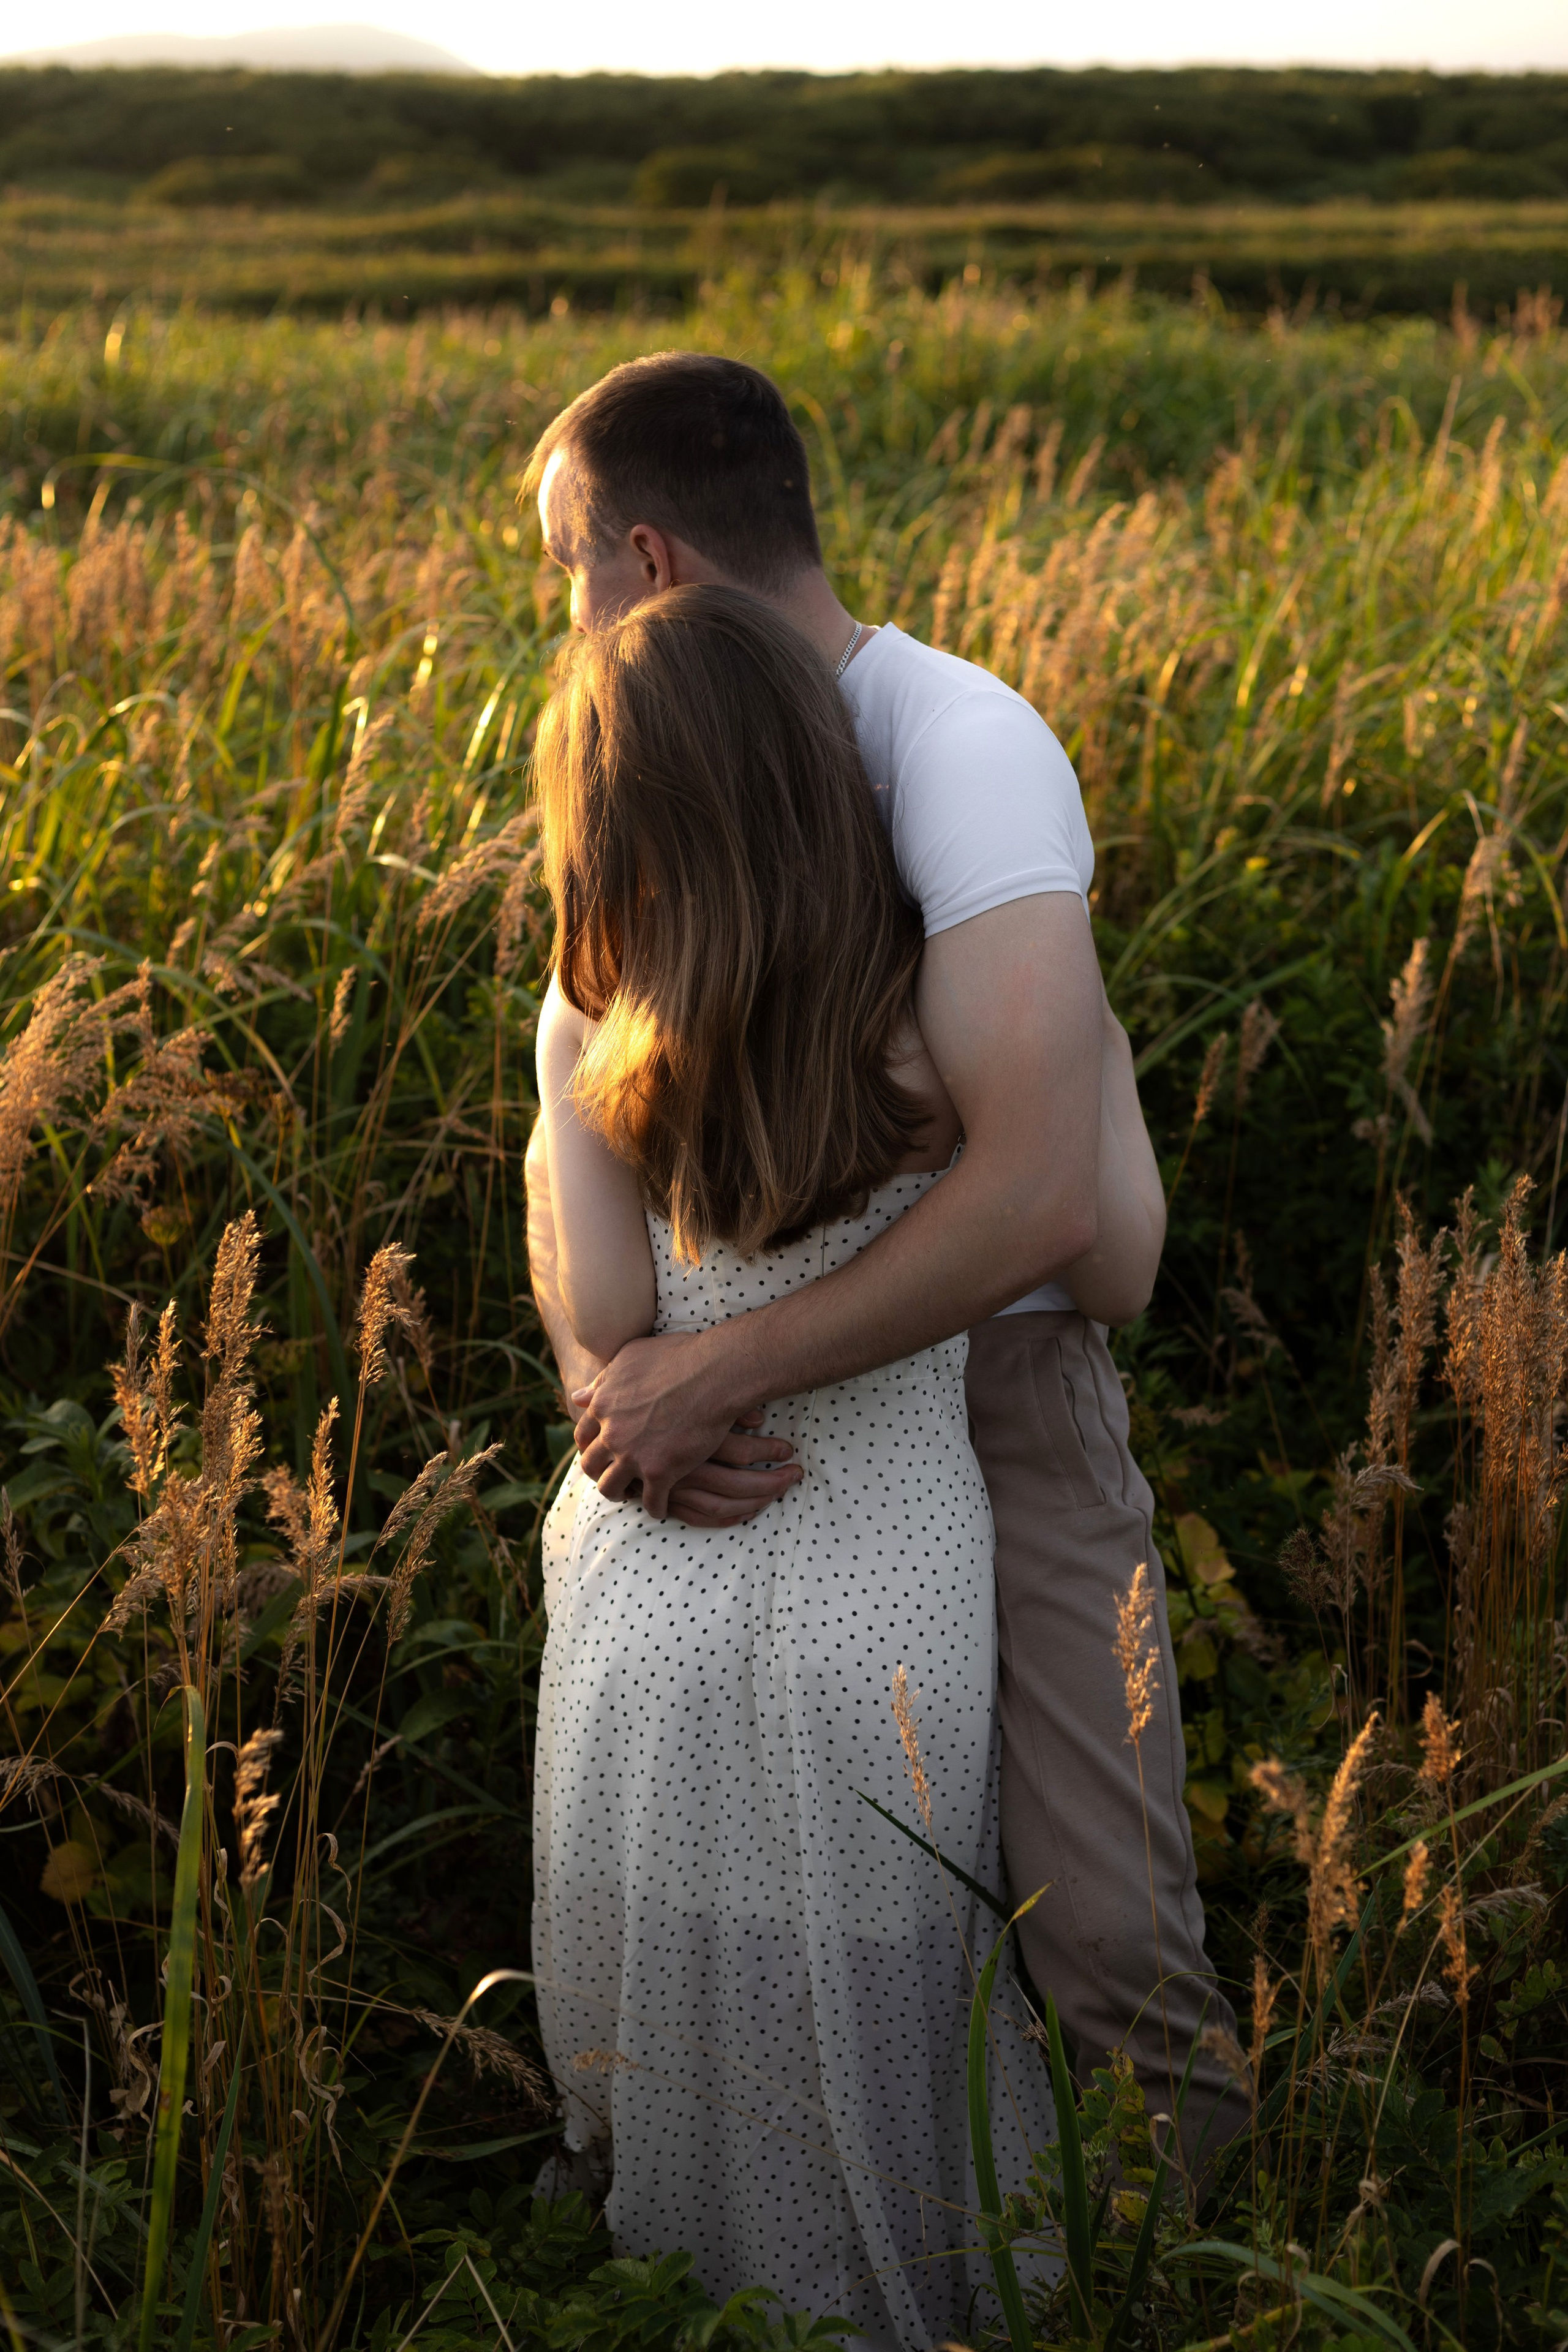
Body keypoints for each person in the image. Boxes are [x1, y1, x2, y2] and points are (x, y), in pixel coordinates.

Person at [522, 353, 1251, 2181]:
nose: (562, 615)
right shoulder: (680, 767)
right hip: (743, 1450)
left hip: (985, 1397)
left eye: (565, 568)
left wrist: (708, 1369)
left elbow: (1053, 1223)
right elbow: (568, 1161)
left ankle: (1192, 2275)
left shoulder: (964, 745)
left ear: (653, 556)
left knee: (1096, 1923)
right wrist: (617, 1409)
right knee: (806, 1917)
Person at [529, 585, 1053, 2346]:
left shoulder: (593, 1030)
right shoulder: (932, 1015)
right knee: (883, 2003)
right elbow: (1105, 1246)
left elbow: (605, 1320)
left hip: (656, 1574)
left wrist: (647, 1382)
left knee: (684, 1989)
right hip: (889, 1577)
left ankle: (687, 2298)